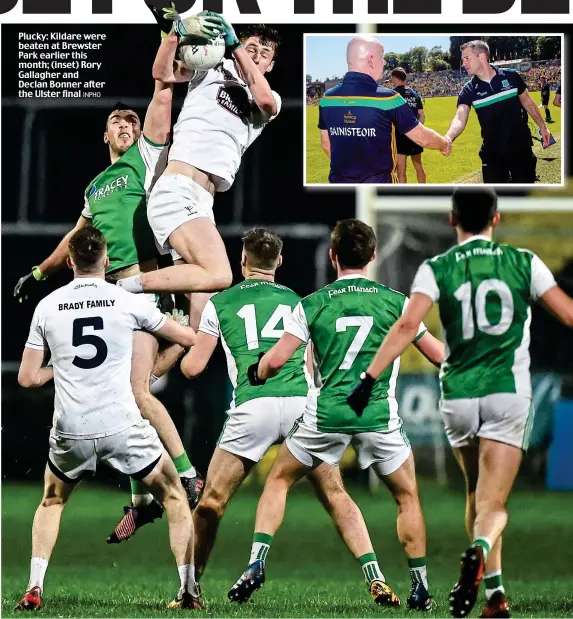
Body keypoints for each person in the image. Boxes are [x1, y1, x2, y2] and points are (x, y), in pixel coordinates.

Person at [12, 27, 217, 538]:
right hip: (112, 298)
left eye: (130, 119)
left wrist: (169, 52)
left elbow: (160, 99)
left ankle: (187, 478)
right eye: (115, 121)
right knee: (130, 396)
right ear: (104, 135)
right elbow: (76, 237)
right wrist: (38, 272)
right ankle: (145, 496)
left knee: (137, 392)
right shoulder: (97, 185)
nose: (125, 123)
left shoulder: (145, 159)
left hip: (146, 285)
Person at [348, 187, 573, 619]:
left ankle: (495, 596)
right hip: (507, 393)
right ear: (497, 218)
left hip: (458, 395)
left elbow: (406, 325)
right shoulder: (524, 262)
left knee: (475, 490)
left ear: (452, 219)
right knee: (494, 504)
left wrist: (368, 379)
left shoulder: (436, 269)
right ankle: (480, 550)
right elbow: (565, 313)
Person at [228, 220, 445, 610]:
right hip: (378, 416)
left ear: (332, 257)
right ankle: (420, 587)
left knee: (278, 480)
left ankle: (256, 563)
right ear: (374, 256)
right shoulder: (396, 302)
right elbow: (436, 354)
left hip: (326, 416)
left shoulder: (312, 303)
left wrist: (255, 371)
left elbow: (276, 362)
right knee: (407, 496)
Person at [15, 227, 202, 611]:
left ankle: (34, 587)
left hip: (72, 430)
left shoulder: (48, 305)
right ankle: (187, 591)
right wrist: (177, 333)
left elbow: (28, 377)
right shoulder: (126, 300)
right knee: (175, 497)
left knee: (51, 502)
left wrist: (60, 367)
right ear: (107, 261)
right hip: (122, 425)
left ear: (69, 262)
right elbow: (188, 339)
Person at [117, 4, 282, 312]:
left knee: (199, 324)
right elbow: (162, 74)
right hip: (177, 190)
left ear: (271, 65)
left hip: (201, 204)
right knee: (220, 274)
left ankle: (164, 332)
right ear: (237, 47)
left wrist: (237, 47)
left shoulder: (271, 98)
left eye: (265, 52)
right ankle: (124, 287)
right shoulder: (211, 67)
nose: (258, 54)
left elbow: (264, 102)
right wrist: (175, 34)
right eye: (252, 47)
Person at [317, 36, 450, 184]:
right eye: (382, 56)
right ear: (371, 60)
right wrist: (444, 144)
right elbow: (421, 136)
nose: (385, 62)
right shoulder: (388, 99)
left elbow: (325, 144)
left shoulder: (327, 99)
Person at [445, 41, 550, 184]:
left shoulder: (512, 76)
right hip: (492, 154)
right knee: (495, 200)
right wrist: (448, 137)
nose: (463, 63)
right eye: (463, 59)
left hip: (521, 148)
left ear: (481, 57)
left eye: (467, 58)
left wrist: (542, 126)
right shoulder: (468, 90)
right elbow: (460, 118)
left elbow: (528, 102)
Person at [391, 67, 427, 184]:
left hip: (400, 136)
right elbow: (421, 114)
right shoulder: (414, 93)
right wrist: (418, 129)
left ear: (395, 78)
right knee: (418, 166)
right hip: (415, 134)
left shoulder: (393, 95)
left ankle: (403, 197)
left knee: (401, 170)